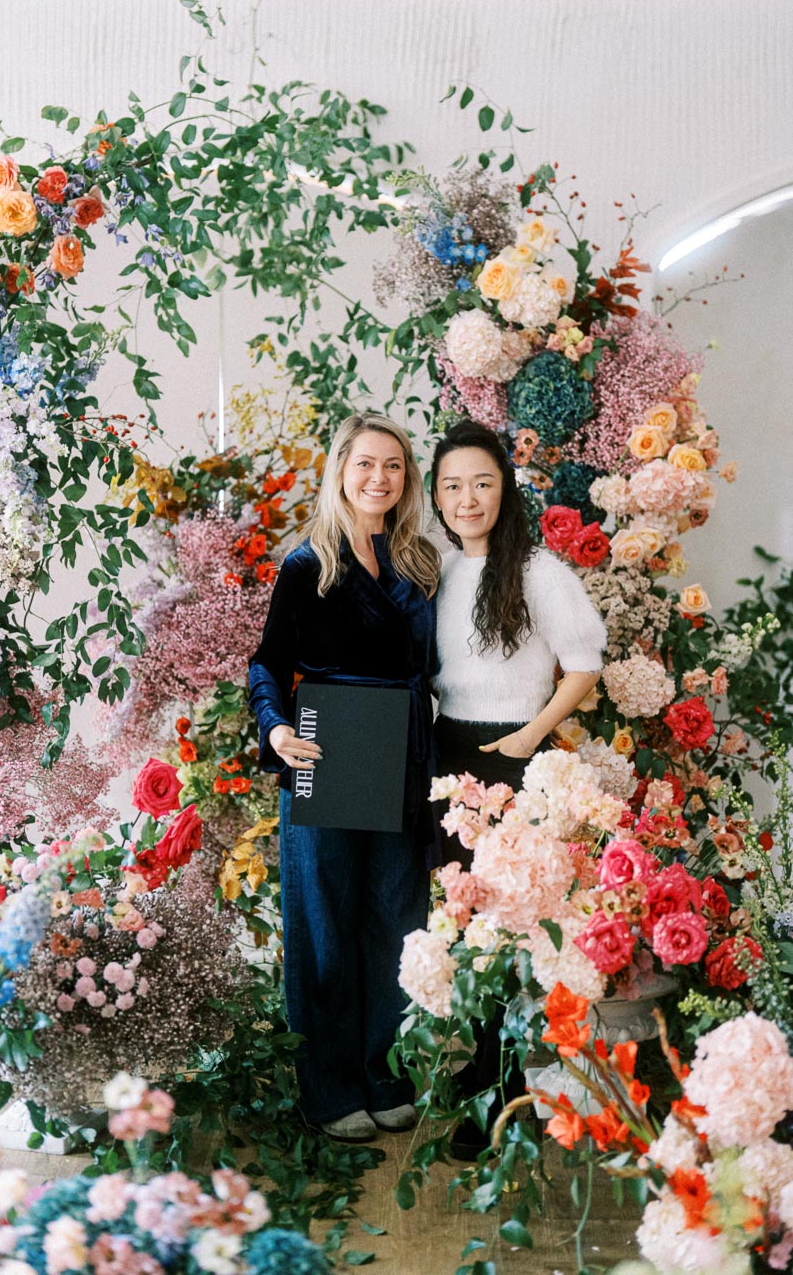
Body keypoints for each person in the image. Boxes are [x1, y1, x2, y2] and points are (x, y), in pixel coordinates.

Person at [249, 412, 439, 1143]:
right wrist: (276, 728)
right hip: (322, 759)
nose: (379, 478)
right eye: (366, 464)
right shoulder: (307, 565)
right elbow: (268, 662)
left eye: (393, 466)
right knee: (324, 925)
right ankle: (329, 1090)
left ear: (406, 478)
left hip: (399, 760)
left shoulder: (419, 563)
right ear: (340, 470)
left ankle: (385, 1074)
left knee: (394, 919)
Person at [431, 417, 607, 1159]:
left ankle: (505, 1094)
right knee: (462, 927)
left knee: (510, 929)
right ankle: (477, 1072)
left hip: (516, 755)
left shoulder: (539, 570)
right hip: (447, 757)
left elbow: (585, 666)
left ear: (505, 490)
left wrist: (533, 736)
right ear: (436, 497)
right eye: (452, 486)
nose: (467, 499)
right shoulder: (435, 570)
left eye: (482, 483)